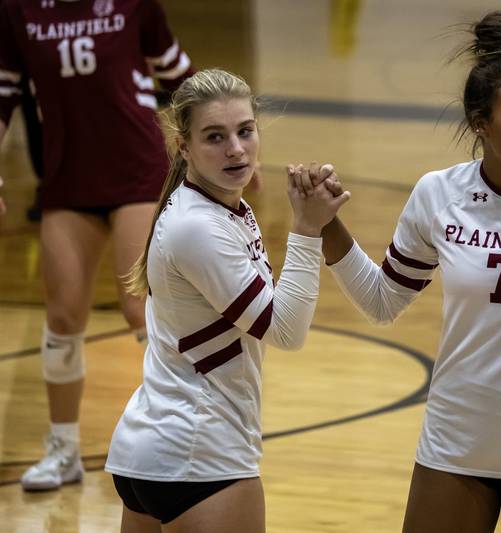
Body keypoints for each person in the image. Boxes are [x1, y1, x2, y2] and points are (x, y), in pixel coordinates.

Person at [291, 11, 501, 532]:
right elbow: (383, 302)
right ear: (481, 124)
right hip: (454, 443)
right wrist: (328, 226)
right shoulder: (439, 193)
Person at [104, 68, 349, 532]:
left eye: (245, 131)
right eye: (215, 137)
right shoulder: (199, 227)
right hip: (201, 455)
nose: (236, 149)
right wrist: (306, 229)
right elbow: (287, 330)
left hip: (152, 452)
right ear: (184, 145)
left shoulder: (221, 205)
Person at [0, 0, 194, 490]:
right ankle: (62, 450)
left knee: (140, 310)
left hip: (136, 171)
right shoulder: (17, 11)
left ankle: (174, 439)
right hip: (68, 176)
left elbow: (178, 74)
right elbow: (2, 94)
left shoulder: (135, 3)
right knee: (63, 317)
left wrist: (224, 140)